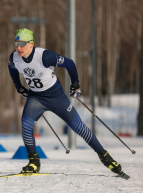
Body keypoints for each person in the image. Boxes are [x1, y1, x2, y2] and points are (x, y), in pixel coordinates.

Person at [8, 28, 125, 176]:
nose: (18, 47)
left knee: (79, 127)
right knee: (25, 125)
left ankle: (105, 157)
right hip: (36, 97)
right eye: (16, 43)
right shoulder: (14, 58)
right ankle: (33, 162)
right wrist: (19, 88)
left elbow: (69, 63)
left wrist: (75, 84)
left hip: (55, 96)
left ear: (31, 44)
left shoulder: (45, 56)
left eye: (22, 43)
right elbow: (12, 69)